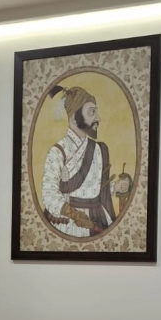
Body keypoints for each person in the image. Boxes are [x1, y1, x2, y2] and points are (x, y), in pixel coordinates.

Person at [40, 83, 132, 237]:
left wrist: (115, 187)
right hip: (70, 222)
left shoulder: (99, 149)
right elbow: (49, 194)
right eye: (92, 112)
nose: (98, 118)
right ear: (74, 119)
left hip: (98, 217)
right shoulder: (57, 152)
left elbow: (94, 189)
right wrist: (75, 215)